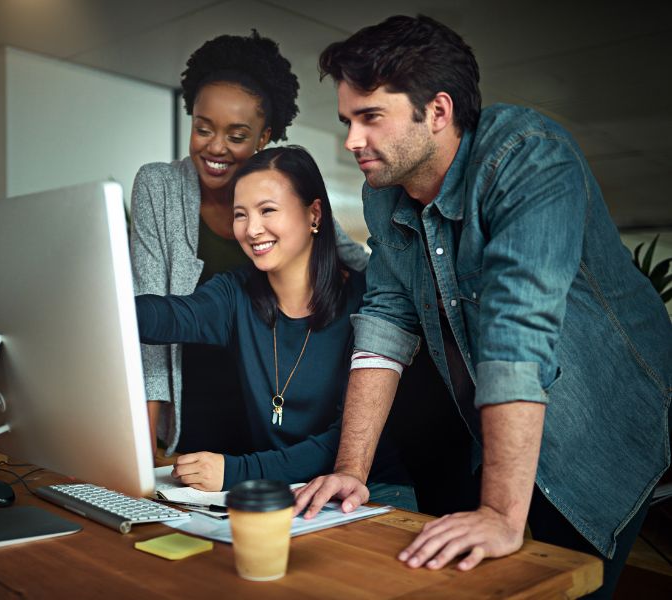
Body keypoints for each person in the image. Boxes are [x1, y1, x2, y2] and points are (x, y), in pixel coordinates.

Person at [292, 14, 671, 598]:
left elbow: (516, 332)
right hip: (503, 426)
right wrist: (350, 471)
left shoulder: (529, 156)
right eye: (347, 120)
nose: (350, 141)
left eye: (370, 118)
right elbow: (386, 324)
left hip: (604, 420)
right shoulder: (382, 195)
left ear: (437, 112)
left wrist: (499, 511)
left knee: (553, 584)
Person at [130, 31, 368, 461]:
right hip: (199, 399)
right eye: (203, 129)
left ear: (263, 137)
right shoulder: (165, 193)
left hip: (269, 418)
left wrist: (380, 294)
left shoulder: (291, 198)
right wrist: (145, 459)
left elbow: (346, 253)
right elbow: (153, 318)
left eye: (237, 135)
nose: (216, 146)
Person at [136, 146, 413, 508]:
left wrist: (235, 471)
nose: (251, 229)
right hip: (285, 493)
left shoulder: (368, 302)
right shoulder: (233, 294)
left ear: (314, 214)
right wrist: (96, 300)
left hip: (371, 494)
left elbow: (342, 440)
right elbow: (165, 317)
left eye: (267, 210)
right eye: (240, 214)